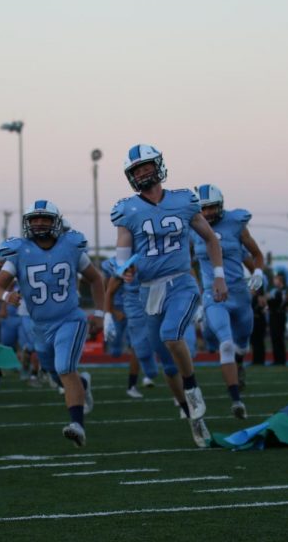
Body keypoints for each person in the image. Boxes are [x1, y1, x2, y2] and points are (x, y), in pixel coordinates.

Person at [110, 145, 226, 447]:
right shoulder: (127, 209)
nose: (142, 173)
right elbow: (122, 253)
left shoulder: (184, 200)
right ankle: (192, 417)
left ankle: (193, 387)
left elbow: (211, 239)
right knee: (167, 364)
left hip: (181, 283)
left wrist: (218, 277)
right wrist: (125, 270)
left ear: (157, 166)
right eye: (136, 170)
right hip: (148, 291)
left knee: (172, 335)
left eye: (146, 166)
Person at [0, 200, 105, 447]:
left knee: (64, 367)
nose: (39, 223)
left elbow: (96, 279)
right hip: (39, 324)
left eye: (44, 219)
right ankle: (83, 383)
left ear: (56, 223)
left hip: (69, 319)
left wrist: (99, 313)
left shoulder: (71, 247)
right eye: (34, 219)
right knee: (53, 373)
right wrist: (5, 296)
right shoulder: (19, 251)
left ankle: (77, 425)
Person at [190, 184, 266, 419]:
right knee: (226, 343)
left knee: (241, 345)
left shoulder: (236, 224)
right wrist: (198, 292)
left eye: (212, 207)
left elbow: (257, 255)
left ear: (220, 205)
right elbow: (187, 263)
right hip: (214, 296)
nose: (208, 213)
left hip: (239, 294)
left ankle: (240, 364)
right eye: (204, 208)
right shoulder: (192, 228)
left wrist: (258, 274)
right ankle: (236, 400)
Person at [102, 257, 158, 398]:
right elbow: (106, 291)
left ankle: (133, 384)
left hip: (137, 311)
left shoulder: (147, 261)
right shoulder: (115, 265)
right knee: (115, 352)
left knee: (138, 346)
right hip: (118, 310)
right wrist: (112, 312)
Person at [266, 265, 288, 366]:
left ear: (281, 280)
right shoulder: (274, 291)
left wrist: (268, 299)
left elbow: (277, 302)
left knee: (279, 338)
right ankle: (276, 359)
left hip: (279, 316)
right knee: (274, 338)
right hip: (273, 316)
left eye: (276, 279)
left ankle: (281, 359)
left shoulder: (283, 291)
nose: (275, 281)